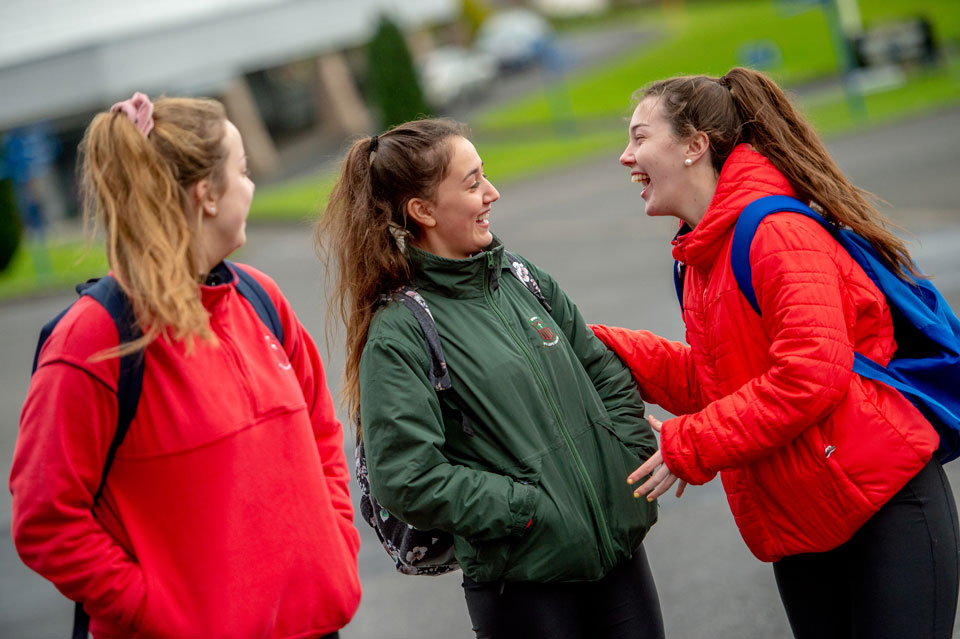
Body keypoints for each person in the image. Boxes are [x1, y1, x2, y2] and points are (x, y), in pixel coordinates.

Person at [591, 67, 960, 639]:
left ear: (694, 146)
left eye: (640, 137)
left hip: (886, 512)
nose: (625, 156)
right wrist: (598, 343)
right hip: (804, 526)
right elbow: (723, 381)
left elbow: (809, 375)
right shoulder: (697, 258)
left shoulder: (776, 234)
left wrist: (687, 444)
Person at [10, 93, 361, 638]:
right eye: (242, 172)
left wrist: (335, 547)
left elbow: (320, 435)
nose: (250, 185)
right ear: (207, 196)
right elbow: (46, 518)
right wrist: (155, 612)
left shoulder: (260, 298)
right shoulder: (92, 339)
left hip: (312, 627)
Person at [316, 118, 664, 639]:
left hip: (619, 558)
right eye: (473, 182)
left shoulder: (520, 276)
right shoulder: (400, 332)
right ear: (423, 210)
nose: (492, 193)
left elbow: (602, 371)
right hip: (524, 588)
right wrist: (525, 511)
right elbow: (404, 476)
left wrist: (626, 456)